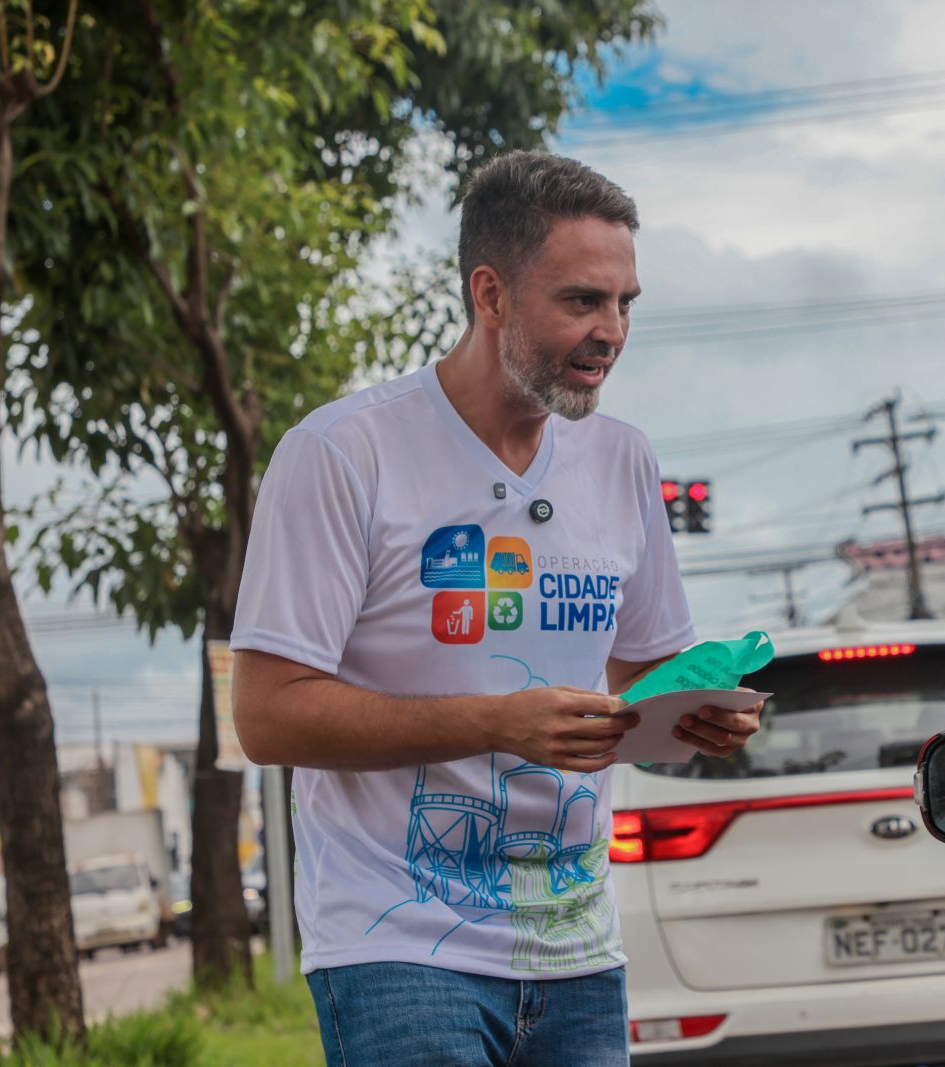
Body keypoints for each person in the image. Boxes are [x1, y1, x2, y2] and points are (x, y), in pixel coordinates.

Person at [230, 151, 762, 1066]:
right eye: (582, 301)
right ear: (491, 294)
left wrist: (691, 708)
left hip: (576, 945)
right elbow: (267, 713)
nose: (612, 332)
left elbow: (637, 674)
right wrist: (497, 722)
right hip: (395, 942)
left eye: (626, 303)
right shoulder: (341, 454)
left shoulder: (623, 460)